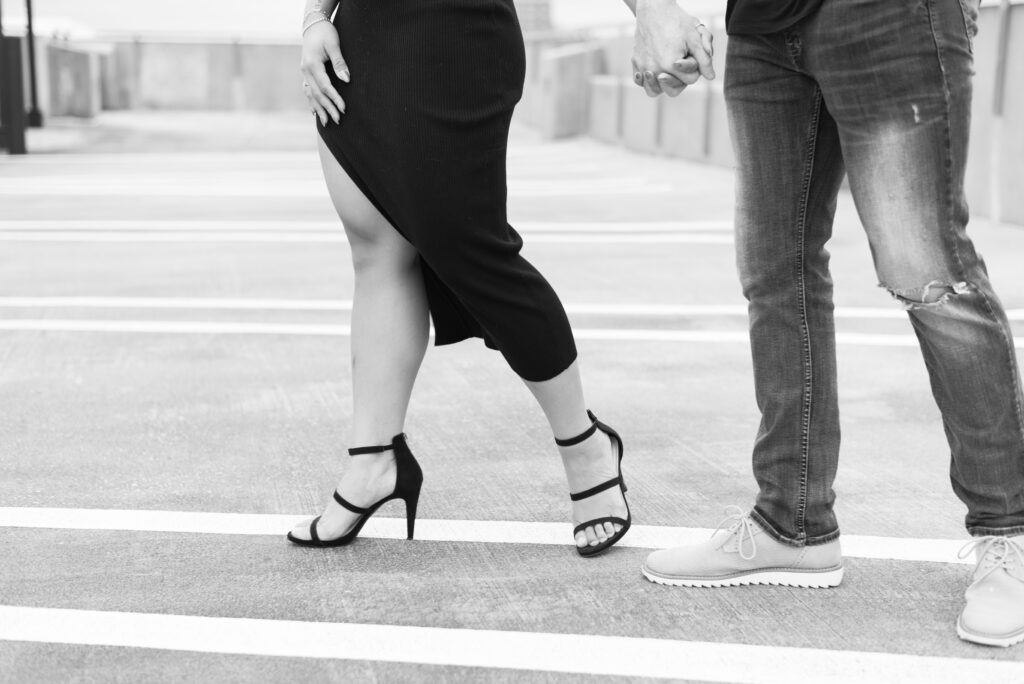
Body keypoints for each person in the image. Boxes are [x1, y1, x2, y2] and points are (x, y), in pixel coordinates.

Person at [630, 0, 1024, 647]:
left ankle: (1009, 534)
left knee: (923, 265)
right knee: (775, 274)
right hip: (761, 26)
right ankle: (793, 523)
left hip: (890, 14)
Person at [285, 0, 630, 556]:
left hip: (459, 37)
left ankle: (586, 445)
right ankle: (373, 460)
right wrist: (314, 19)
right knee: (376, 248)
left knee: (474, 251)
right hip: (360, 39)